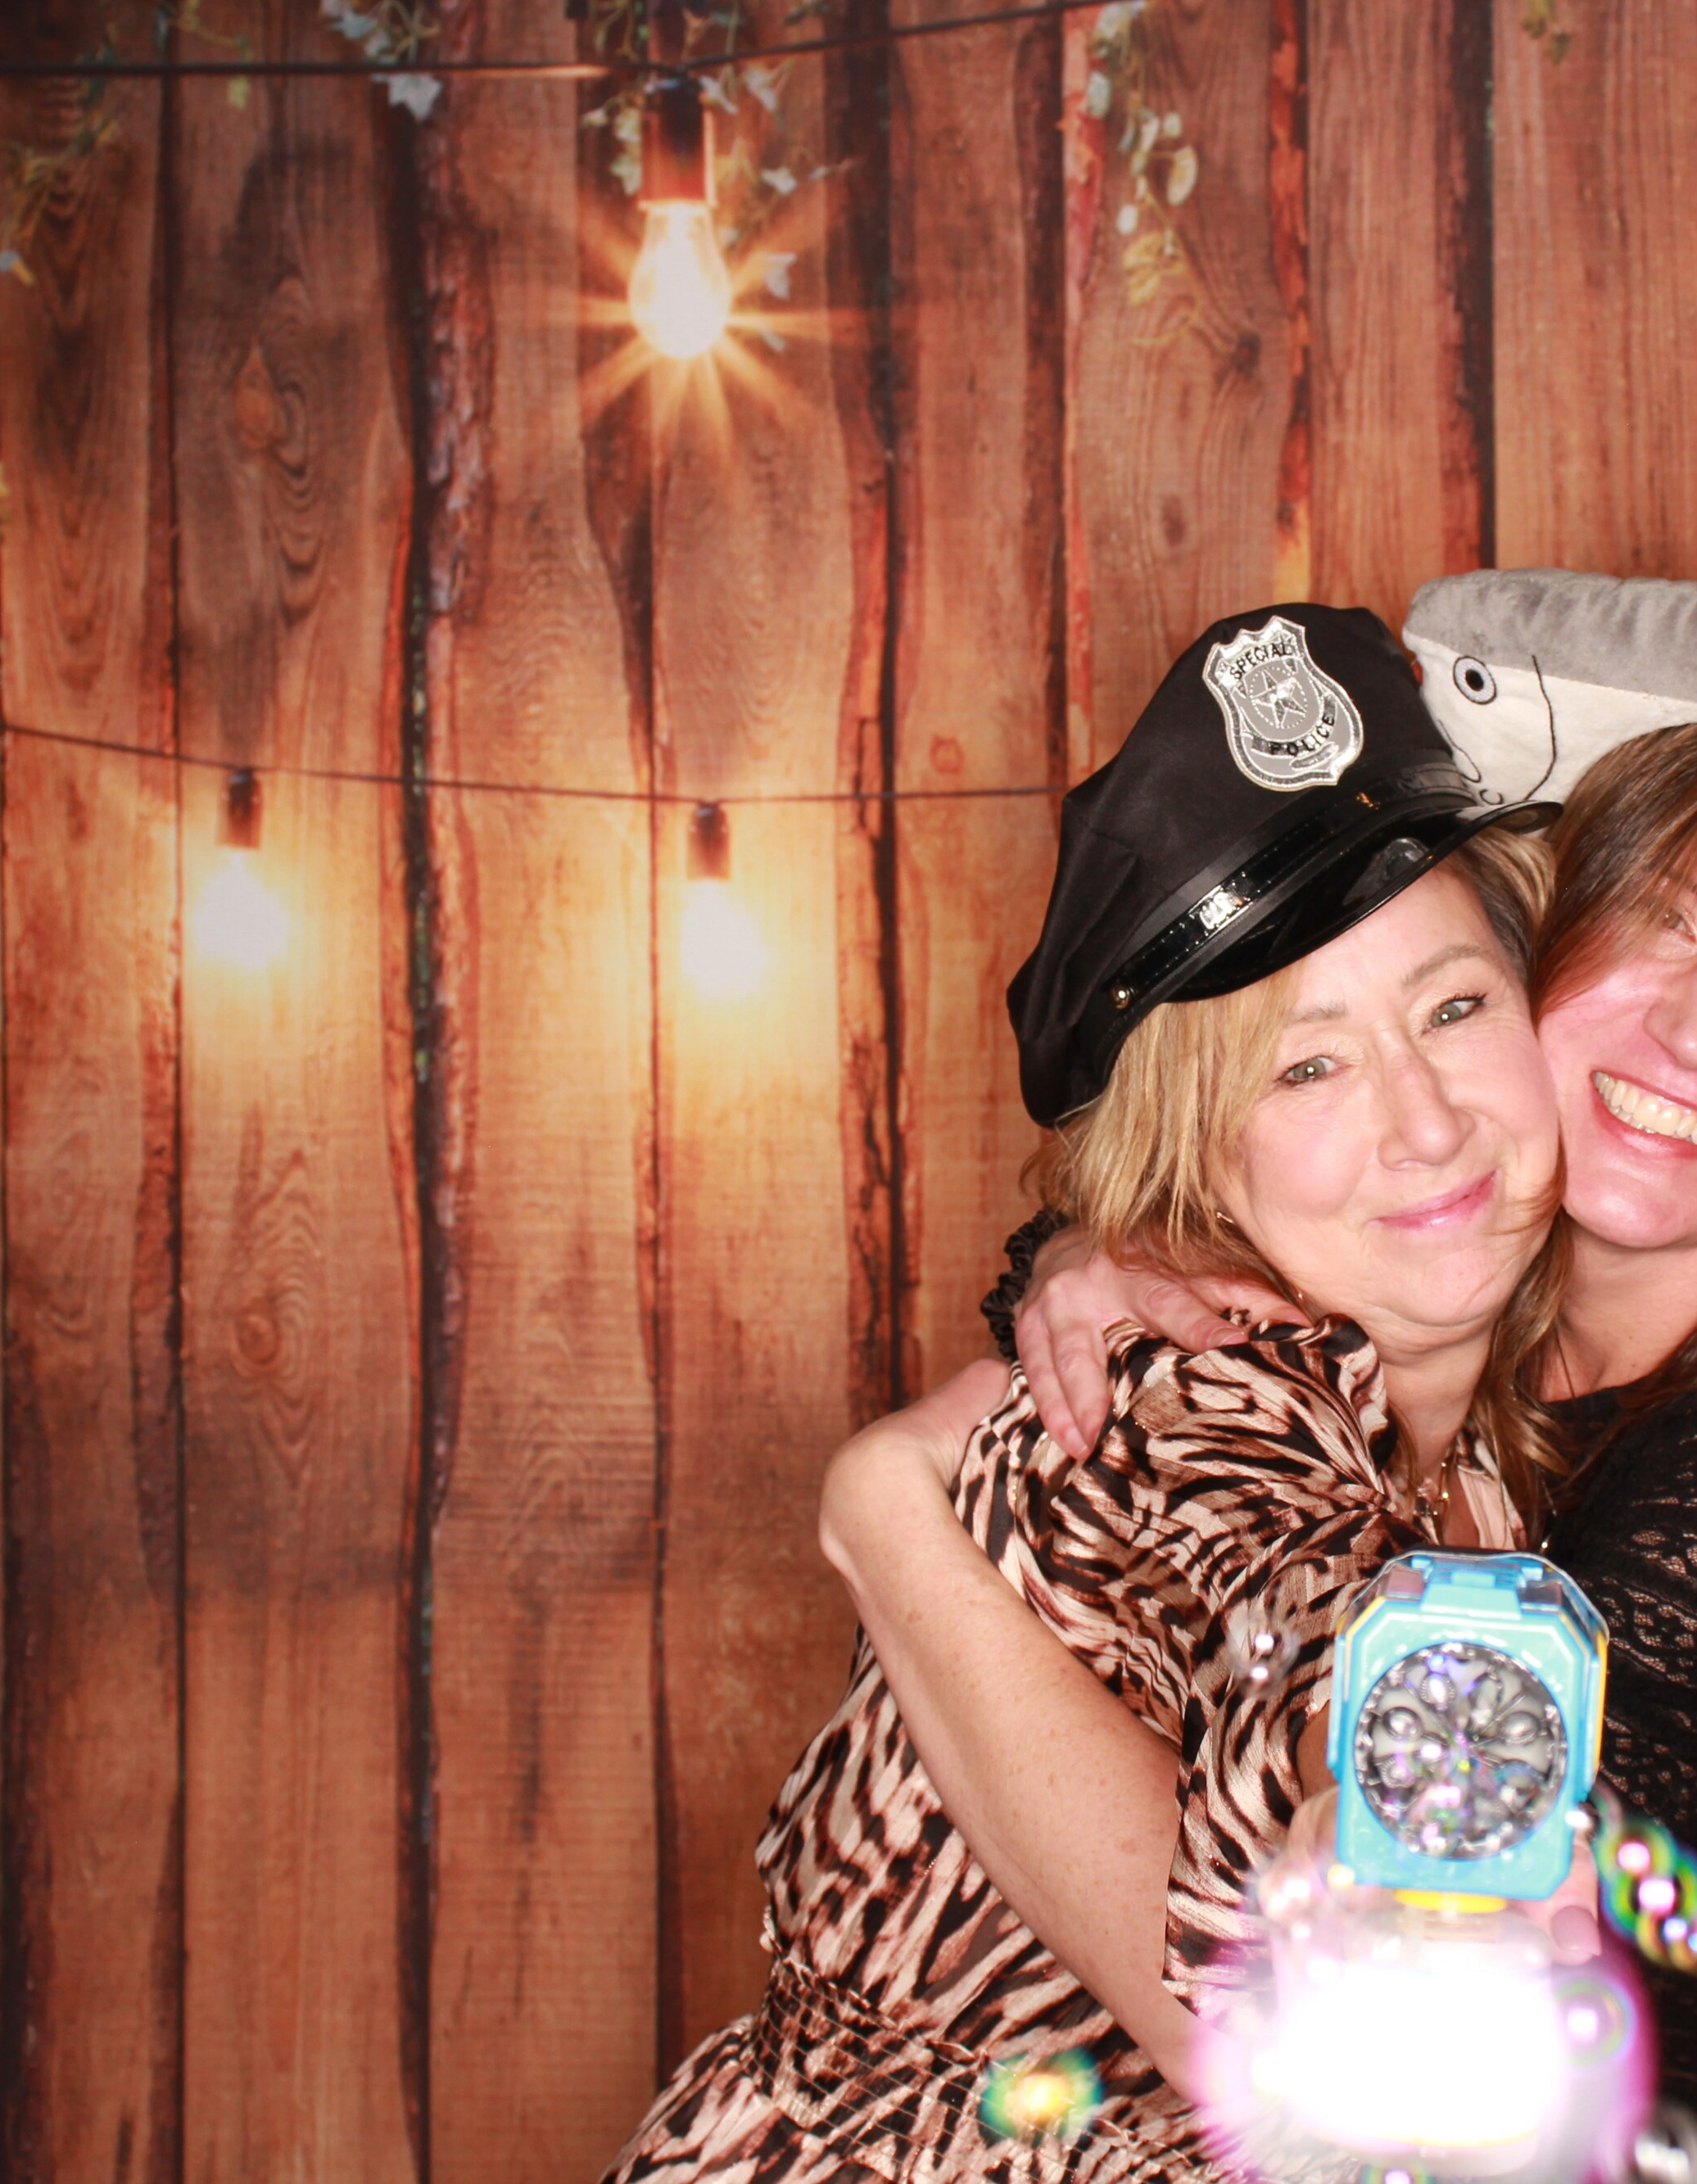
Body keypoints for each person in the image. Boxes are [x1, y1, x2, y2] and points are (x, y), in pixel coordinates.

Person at [824, 718, 1697, 2184]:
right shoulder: (1470, 1287)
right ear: (1541, 956)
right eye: (1662, 919)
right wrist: (1096, 1250)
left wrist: (884, 1513)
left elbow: (1315, 2031)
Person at [602, 603, 1565, 2183]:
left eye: (1455, 1009)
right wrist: (1398, 1807)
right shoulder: (1194, 1405)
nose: (1427, 1121)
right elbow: (1281, 1602)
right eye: (1307, 1067)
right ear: (1199, 1163)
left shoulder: (1507, 1419)